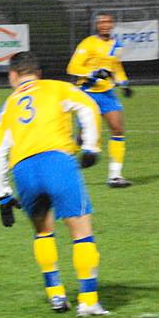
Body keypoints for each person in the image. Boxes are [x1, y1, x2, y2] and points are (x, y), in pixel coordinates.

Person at [0, 51, 108, 317]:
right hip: (57, 162)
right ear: (38, 73)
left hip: (23, 170)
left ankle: (55, 294)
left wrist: (2, 195)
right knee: (81, 233)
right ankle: (88, 300)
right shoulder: (56, 88)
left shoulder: (8, 105)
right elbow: (88, 107)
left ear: (13, 76)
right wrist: (90, 147)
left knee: (43, 232)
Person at [67, 13, 133, 188]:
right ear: (97, 25)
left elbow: (116, 67)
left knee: (118, 129)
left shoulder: (116, 45)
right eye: (101, 22)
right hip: (87, 93)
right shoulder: (88, 43)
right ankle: (65, 169)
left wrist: (124, 84)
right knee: (82, 138)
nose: (104, 25)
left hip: (106, 93)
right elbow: (72, 66)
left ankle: (115, 176)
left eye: (108, 22)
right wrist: (93, 73)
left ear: (112, 25)